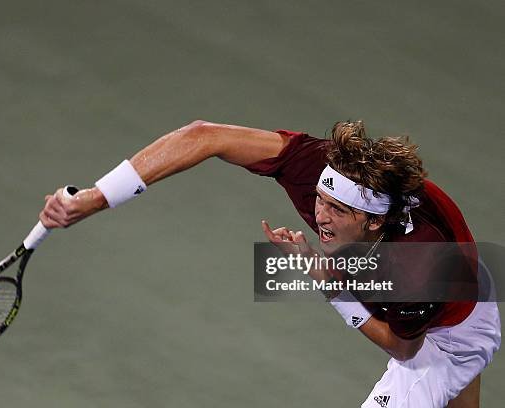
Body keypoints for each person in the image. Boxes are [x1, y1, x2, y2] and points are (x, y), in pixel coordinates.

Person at [39, 120, 500, 407]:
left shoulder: (420, 266)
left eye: (337, 212)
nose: (319, 215)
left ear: (374, 221)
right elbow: (205, 136)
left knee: (444, 375)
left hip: (448, 334)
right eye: (319, 200)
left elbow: (405, 351)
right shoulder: (322, 170)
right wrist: (96, 198)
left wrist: (328, 280)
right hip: (435, 293)